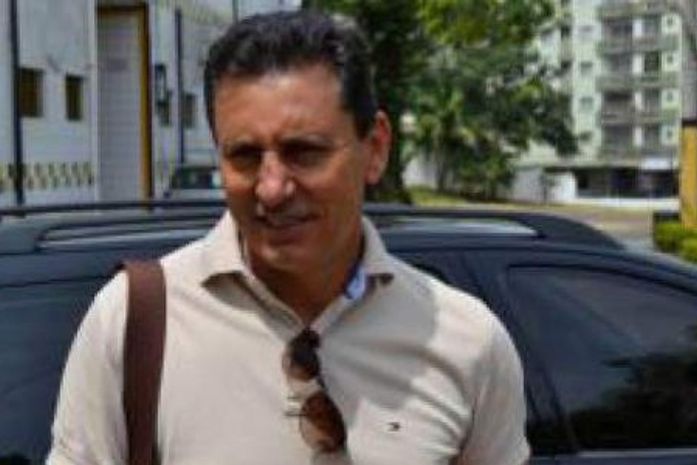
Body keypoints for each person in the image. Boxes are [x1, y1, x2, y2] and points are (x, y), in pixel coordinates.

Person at [48, 10, 529, 465]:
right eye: (245, 156)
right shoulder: (132, 323)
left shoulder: (467, 343)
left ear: (376, 149)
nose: (272, 188)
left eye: (304, 152)